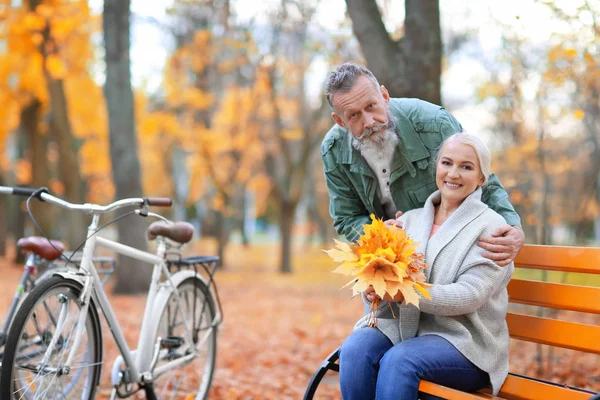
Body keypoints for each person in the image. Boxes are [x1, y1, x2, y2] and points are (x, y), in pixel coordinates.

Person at [339, 132, 514, 399]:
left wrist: (406, 292)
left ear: (481, 178)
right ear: (437, 168)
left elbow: (471, 294)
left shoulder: (492, 229)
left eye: (466, 167)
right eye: (446, 163)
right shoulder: (408, 221)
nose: (453, 173)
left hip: (466, 343)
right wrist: (375, 287)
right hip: (407, 331)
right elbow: (386, 280)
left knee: (400, 361)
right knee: (356, 348)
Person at [322, 62, 524, 266]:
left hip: (450, 255)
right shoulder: (333, 150)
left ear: (384, 96)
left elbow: (481, 179)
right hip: (385, 260)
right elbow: (347, 218)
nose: (369, 122)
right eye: (354, 115)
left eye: (371, 106)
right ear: (340, 121)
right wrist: (379, 234)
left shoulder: (435, 124)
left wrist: (513, 227)